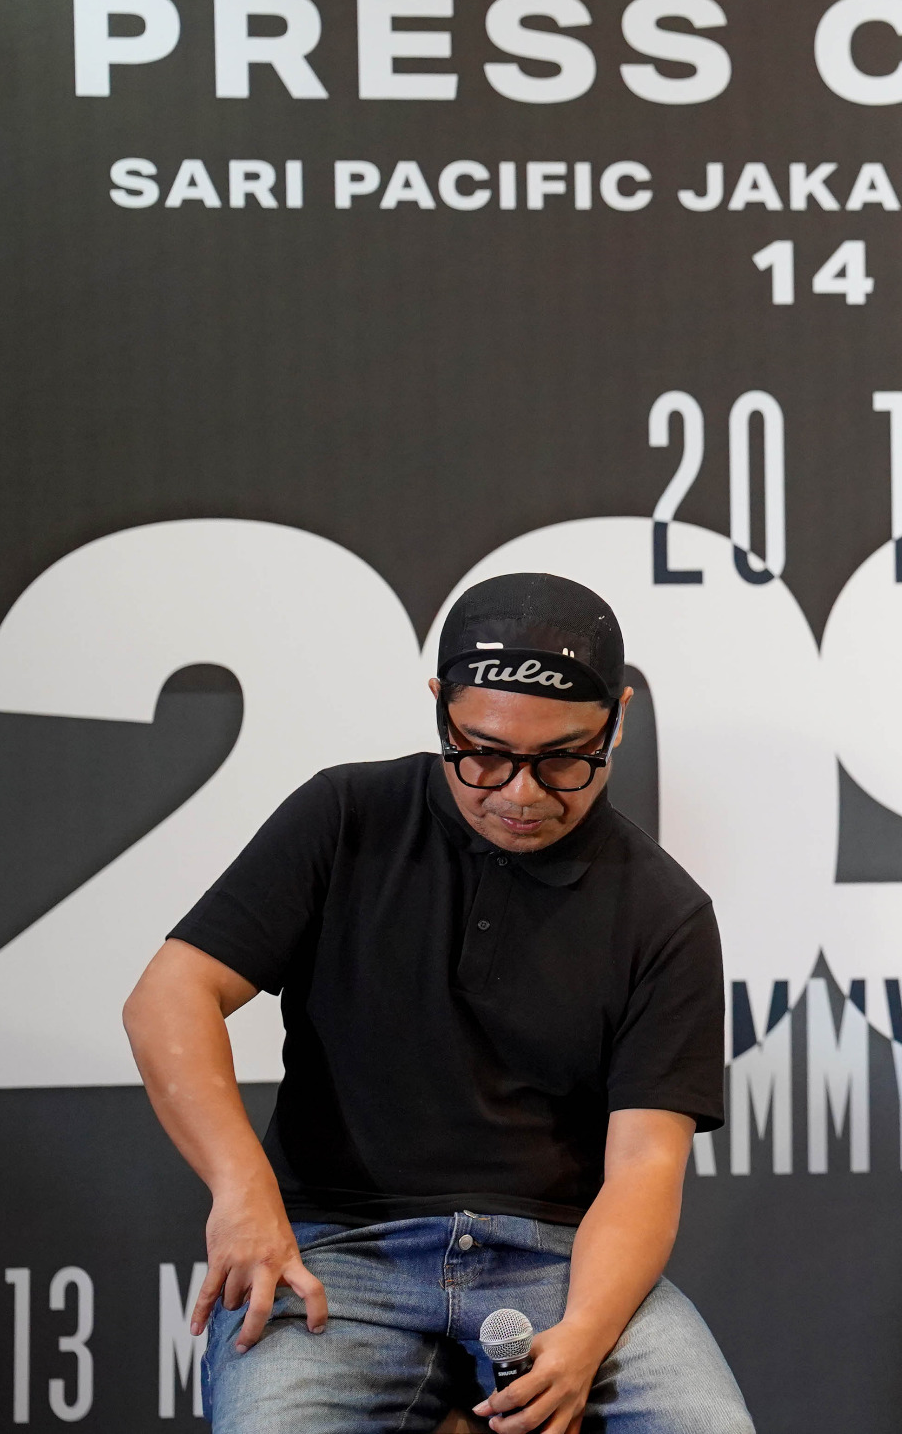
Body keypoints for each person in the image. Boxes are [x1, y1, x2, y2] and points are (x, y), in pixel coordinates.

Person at [123, 573, 752, 1434]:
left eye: (564, 758)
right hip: (338, 1253)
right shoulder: (344, 815)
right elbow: (169, 993)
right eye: (483, 752)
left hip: (564, 1264)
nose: (521, 793)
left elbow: (645, 1163)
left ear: (619, 719)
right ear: (439, 709)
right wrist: (242, 1190)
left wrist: (585, 1335)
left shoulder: (665, 911)